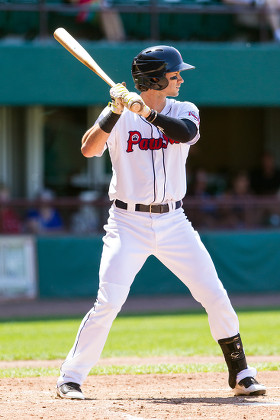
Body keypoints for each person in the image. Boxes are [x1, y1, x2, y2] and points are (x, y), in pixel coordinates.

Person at [56, 45, 266, 400]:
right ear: (154, 79)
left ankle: (241, 372)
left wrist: (146, 113)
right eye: (173, 74)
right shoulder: (119, 114)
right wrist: (114, 110)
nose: (181, 79)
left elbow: (184, 134)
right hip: (126, 222)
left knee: (214, 294)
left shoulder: (185, 109)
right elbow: (89, 149)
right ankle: (71, 376)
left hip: (174, 221)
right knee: (108, 301)